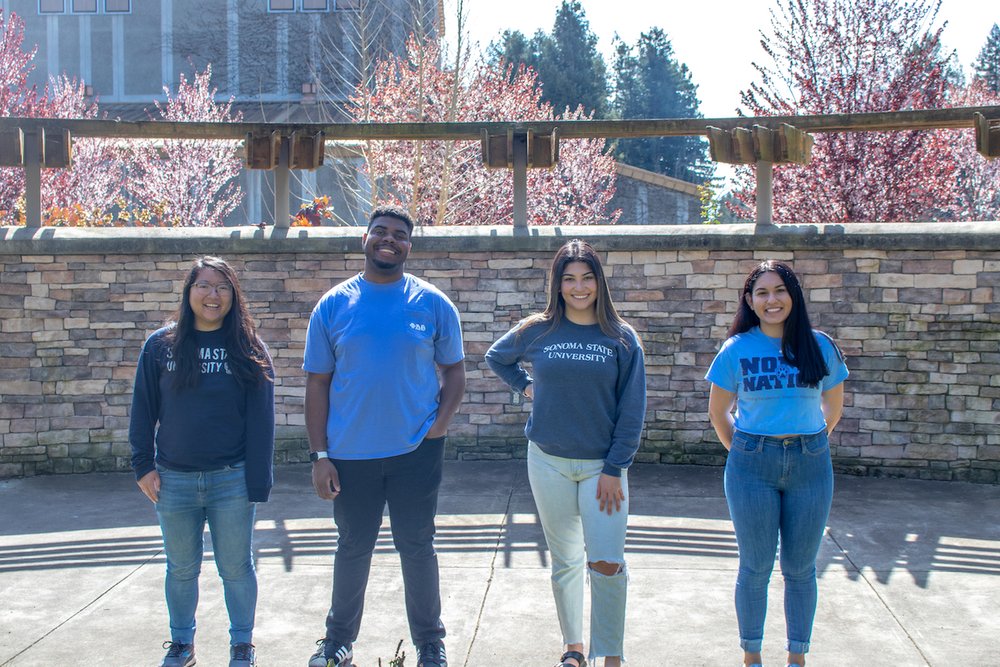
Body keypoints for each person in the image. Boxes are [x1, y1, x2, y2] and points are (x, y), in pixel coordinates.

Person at [303, 205, 466, 667]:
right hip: (350, 454)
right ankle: (337, 643)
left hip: (417, 450)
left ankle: (430, 645)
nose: (388, 239)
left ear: (409, 246)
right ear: (365, 239)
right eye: (380, 232)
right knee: (353, 546)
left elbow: (454, 371)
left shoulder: (433, 304)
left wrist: (439, 426)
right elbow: (317, 382)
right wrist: (320, 455)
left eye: (399, 234)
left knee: (417, 545)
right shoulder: (334, 305)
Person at [485, 239, 646, 667]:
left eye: (587, 278)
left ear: (599, 282)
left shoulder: (621, 337)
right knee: (566, 561)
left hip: (602, 469)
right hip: (547, 462)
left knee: (607, 562)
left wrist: (615, 467)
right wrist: (525, 387)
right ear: (557, 285)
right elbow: (496, 357)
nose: (578, 288)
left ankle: (610, 653)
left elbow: (633, 410)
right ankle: (573, 649)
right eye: (569, 279)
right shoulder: (537, 329)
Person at [130, 256, 275, 667]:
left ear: (234, 296)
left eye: (223, 287)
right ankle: (182, 645)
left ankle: (242, 646)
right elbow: (143, 409)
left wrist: (258, 482)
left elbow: (262, 420)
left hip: (231, 480)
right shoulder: (161, 346)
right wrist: (143, 465)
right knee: (180, 569)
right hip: (173, 481)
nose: (213, 295)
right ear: (189, 291)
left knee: (236, 568)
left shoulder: (248, 349)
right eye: (204, 285)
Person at [706, 260, 848, 667]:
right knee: (755, 567)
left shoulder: (819, 345)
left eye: (779, 290)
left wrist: (808, 443)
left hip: (810, 465)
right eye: (762, 293)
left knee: (801, 568)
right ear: (750, 301)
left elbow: (832, 409)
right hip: (752, 465)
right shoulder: (737, 349)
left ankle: (796, 657)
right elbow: (719, 413)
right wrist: (745, 452)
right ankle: (752, 656)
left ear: (793, 295)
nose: (772, 299)